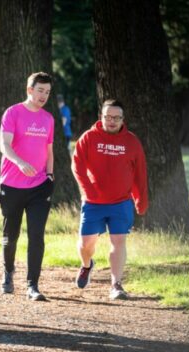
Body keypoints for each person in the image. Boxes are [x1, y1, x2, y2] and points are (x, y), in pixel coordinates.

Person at [72, 99, 148, 300]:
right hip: (93, 203)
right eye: (108, 117)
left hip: (121, 202)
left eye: (116, 117)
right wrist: (87, 189)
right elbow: (77, 165)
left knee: (119, 241)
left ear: (123, 119)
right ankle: (87, 265)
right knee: (86, 244)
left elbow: (140, 173)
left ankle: (116, 284)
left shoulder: (131, 142)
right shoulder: (89, 138)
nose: (112, 121)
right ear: (101, 117)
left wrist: (141, 198)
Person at [0, 72, 54, 301]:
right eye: (40, 90)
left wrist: (50, 176)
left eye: (47, 92)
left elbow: (49, 151)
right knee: (10, 235)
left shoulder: (48, 119)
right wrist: (20, 162)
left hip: (40, 186)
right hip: (11, 185)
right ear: (29, 90)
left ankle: (33, 284)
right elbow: (4, 145)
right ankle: (8, 272)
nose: (43, 95)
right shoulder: (13, 112)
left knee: (36, 235)